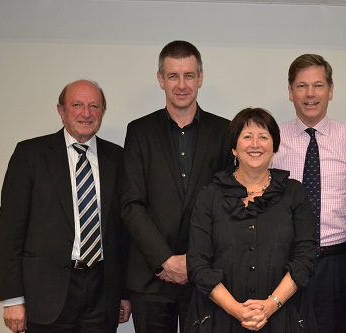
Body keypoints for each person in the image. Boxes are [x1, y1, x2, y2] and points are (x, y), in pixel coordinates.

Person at [0, 79, 131, 333]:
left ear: (103, 111)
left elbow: (123, 232)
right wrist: (13, 298)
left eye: (94, 105)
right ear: (61, 110)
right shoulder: (30, 155)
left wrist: (124, 292)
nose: (86, 113)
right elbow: (10, 230)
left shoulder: (118, 158)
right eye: (77, 105)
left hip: (102, 293)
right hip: (46, 293)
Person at [121, 40, 233, 333]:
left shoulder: (226, 131)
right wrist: (165, 260)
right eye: (173, 76)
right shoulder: (139, 131)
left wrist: (192, 261)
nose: (181, 85)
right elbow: (131, 205)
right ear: (161, 79)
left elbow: (229, 204)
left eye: (189, 75)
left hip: (207, 276)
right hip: (151, 276)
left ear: (200, 78)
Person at [185, 107, 317, 333]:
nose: (255, 144)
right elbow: (198, 264)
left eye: (263, 137)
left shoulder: (294, 193)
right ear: (234, 148)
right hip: (220, 318)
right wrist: (237, 310)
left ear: (274, 146)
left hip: (283, 317)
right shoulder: (210, 195)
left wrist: (270, 305)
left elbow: (305, 256)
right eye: (247, 137)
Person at [272, 54, 346, 333]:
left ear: (331, 90)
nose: (310, 94)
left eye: (318, 86)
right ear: (290, 91)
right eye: (301, 86)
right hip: (285, 262)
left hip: (336, 264)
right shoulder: (273, 140)